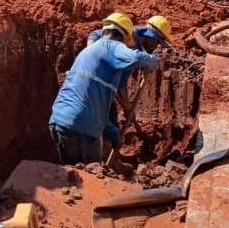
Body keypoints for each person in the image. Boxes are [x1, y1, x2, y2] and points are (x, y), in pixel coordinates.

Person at [49, 13, 158, 165]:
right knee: (92, 177)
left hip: (59, 121)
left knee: (72, 175)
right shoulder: (112, 46)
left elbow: (93, 109)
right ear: (122, 37)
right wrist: (152, 61)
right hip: (82, 127)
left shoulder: (88, 52)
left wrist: (114, 134)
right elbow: (138, 58)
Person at [86, 15, 172, 127]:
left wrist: (127, 108)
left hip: (106, 87)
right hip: (92, 83)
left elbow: (121, 83)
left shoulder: (138, 51)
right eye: (158, 42)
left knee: (111, 122)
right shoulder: (129, 35)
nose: (156, 47)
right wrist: (90, 52)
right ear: (152, 37)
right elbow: (96, 34)